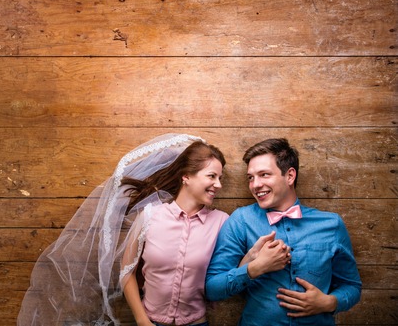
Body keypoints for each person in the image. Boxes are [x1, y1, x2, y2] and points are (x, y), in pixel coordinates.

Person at [17, 133, 282, 326]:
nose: (218, 185)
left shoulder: (222, 221)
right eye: (212, 176)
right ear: (186, 177)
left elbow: (226, 274)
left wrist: (252, 259)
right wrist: (142, 321)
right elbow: (125, 272)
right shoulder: (150, 216)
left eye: (220, 178)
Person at [205, 138, 362, 326]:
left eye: (264, 174)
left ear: (290, 176)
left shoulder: (332, 224)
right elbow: (212, 288)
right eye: (251, 177)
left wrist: (329, 302)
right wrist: (255, 268)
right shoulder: (241, 221)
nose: (255, 185)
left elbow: (352, 286)